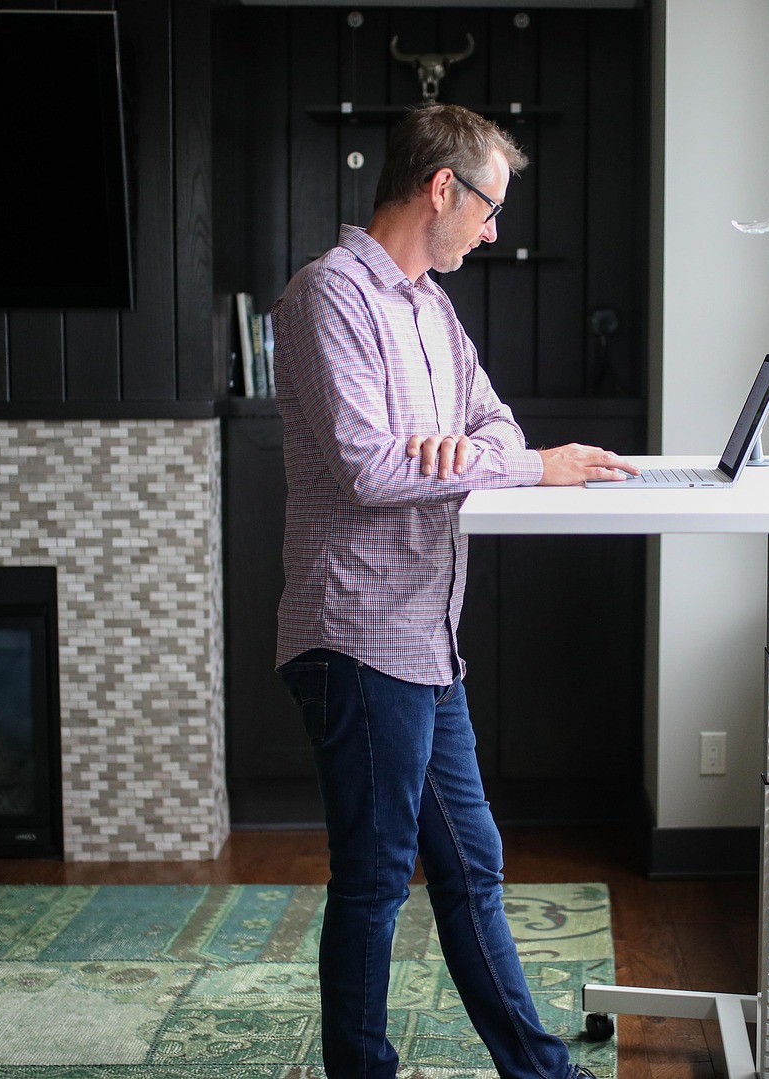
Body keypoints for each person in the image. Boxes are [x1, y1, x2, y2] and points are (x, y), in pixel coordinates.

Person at [269, 103, 637, 1079]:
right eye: (488, 206)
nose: (493, 229)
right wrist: (491, 460)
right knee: (377, 878)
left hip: (425, 637)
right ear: (442, 186)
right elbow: (369, 467)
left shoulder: (431, 306)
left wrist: (469, 453)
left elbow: (498, 429)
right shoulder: (328, 295)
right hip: (352, 633)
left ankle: (541, 1070)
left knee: (471, 865)